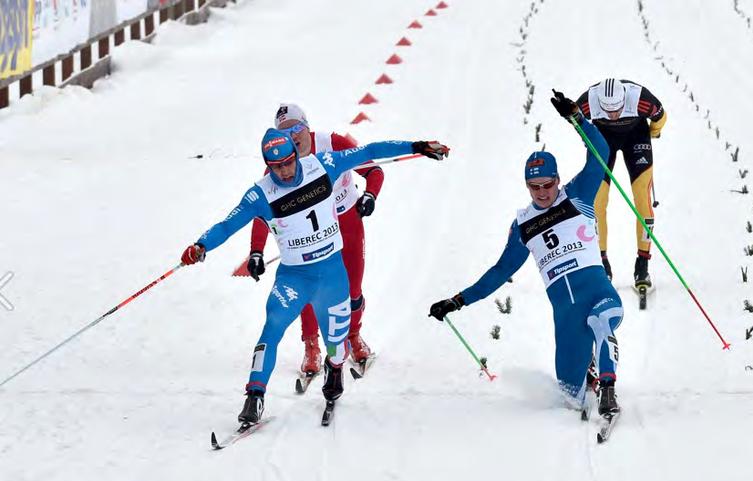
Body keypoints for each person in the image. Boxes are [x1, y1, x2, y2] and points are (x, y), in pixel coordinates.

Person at [182, 129, 449, 424]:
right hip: (293, 278)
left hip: (333, 277)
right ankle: (254, 396)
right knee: (272, 327)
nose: (284, 171)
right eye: (276, 166)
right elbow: (227, 225)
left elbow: (369, 151)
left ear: (296, 155)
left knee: (336, 345)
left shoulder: (323, 165)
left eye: (288, 162)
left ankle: (334, 369)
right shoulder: (260, 193)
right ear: (267, 166)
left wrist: (417, 146)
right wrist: (201, 246)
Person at [428, 90, 623, 419]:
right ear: (526, 186)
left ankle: (608, 389)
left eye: (548, 185)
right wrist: (457, 301)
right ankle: (586, 372)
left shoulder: (578, 195)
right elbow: (500, 271)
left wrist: (577, 118)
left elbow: (600, 151)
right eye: (535, 187)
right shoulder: (523, 226)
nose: (543, 192)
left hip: (598, 292)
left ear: (558, 180)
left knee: (602, 319)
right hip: (565, 315)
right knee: (569, 396)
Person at [245, 103, 384, 378]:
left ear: (307, 127)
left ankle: (354, 337)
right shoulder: (280, 167)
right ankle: (312, 347)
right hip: (310, 238)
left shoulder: (333, 143)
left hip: (348, 225)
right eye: (285, 133)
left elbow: (374, 170)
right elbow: (261, 214)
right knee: (308, 294)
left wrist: (370, 196)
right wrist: (256, 251)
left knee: (353, 291)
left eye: (297, 128)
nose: (293, 136)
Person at [576, 78, 667, 289]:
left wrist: (653, 133)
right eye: (607, 111)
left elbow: (661, 117)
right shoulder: (588, 100)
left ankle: (642, 264)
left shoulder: (641, 98)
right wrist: (587, 137)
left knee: (642, 200)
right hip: (603, 138)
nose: (613, 115)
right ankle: (602, 262)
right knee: (597, 203)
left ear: (624, 99)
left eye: (617, 110)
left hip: (636, 136)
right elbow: (575, 120)